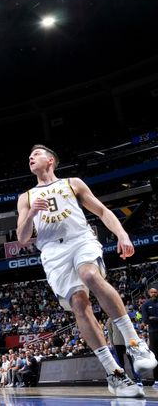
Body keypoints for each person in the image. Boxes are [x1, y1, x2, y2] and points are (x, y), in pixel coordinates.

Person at [15, 144, 156, 398]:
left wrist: (122, 234)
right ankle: (114, 373)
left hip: (80, 239)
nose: (31, 157)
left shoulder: (72, 183)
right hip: (52, 252)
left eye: (36, 154)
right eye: (29, 156)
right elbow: (23, 237)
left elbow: (101, 210)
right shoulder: (26, 197)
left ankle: (135, 343)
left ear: (51, 160)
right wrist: (32, 212)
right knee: (79, 304)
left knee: (90, 275)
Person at [139, 286, 158, 387]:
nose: (154, 294)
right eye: (152, 292)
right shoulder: (146, 304)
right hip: (153, 333)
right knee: (155, 356)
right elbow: (146, 320)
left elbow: (150, 319)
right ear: (149, 293)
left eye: (155, 292)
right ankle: (156, 380)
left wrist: (153, 318)